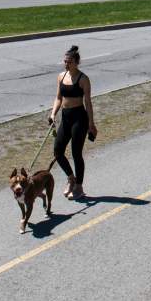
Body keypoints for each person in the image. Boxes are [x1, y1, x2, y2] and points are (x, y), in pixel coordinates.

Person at [49, 45, 97, 200]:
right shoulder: (61, 76)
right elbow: (58, 98)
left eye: (69, 62)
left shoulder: (83, 79)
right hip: (66, 117)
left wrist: (91, 123)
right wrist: (53, 114)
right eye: (65, 61)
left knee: (76, 153)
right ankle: (71, 178)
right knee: (58, 150)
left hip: (79, 118)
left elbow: (88, 102)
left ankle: (79, 187)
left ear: (77, 62)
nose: (66, 64)